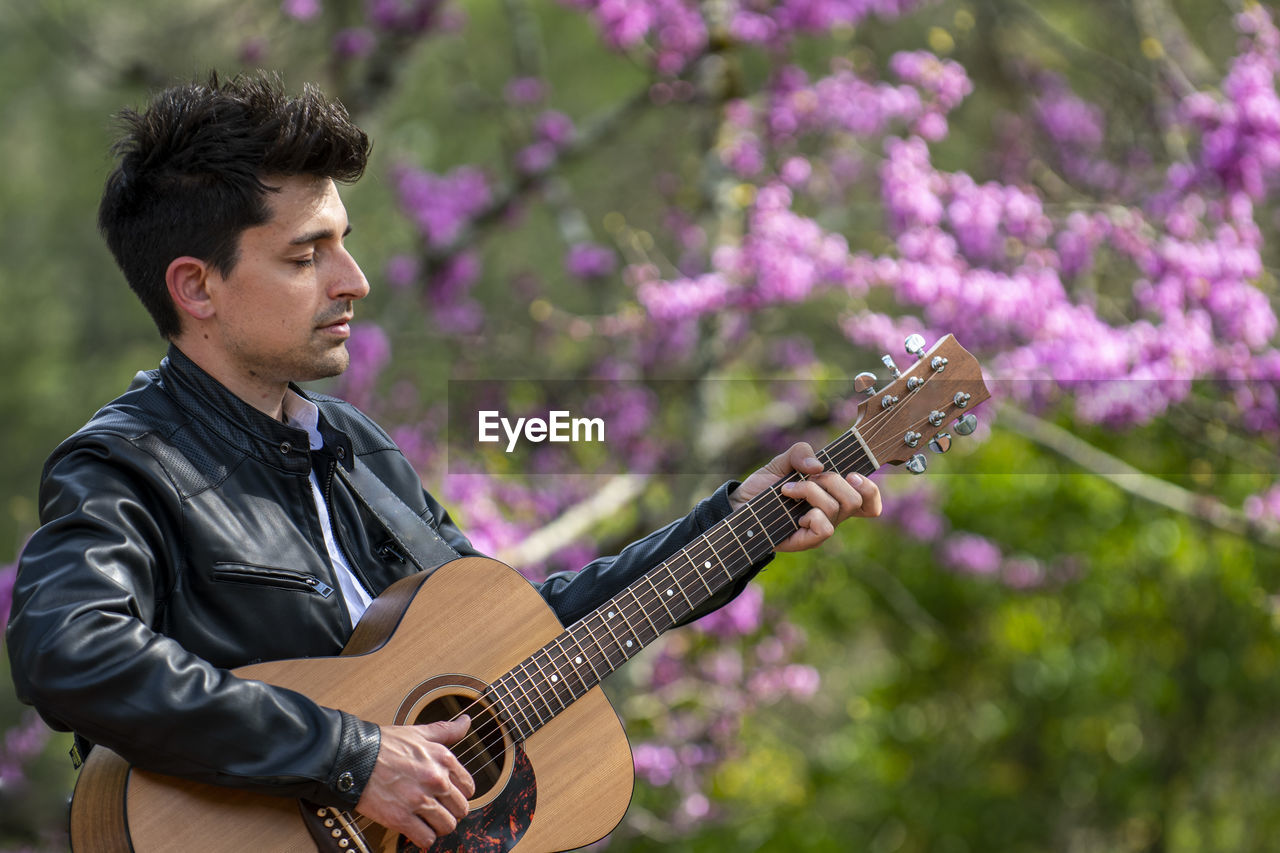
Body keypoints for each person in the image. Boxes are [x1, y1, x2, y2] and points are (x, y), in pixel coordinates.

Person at [4, 72, 881, 850]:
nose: (354, 279)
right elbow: (71, 650)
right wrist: (350, 756)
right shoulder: (127, 463)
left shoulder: (359, 451)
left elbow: (517, 639)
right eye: (307, 256)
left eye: (343, 241)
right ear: (196, 286)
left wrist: (736, 523)